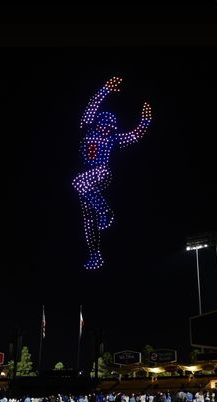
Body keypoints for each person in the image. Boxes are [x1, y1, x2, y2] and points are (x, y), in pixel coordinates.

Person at [72, 76, 152, 270]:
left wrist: (145, 120)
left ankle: (105, 212)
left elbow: (135, 135)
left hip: (102, 174)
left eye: (111, 128)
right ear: (98, 123)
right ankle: (95, 254)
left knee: (78, 183)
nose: (108, 130)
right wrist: (105, 89)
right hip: (89, 180)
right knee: (88, 218)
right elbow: (91, 106)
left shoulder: (114, 139)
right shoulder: (86, 129)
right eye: (105, 126)